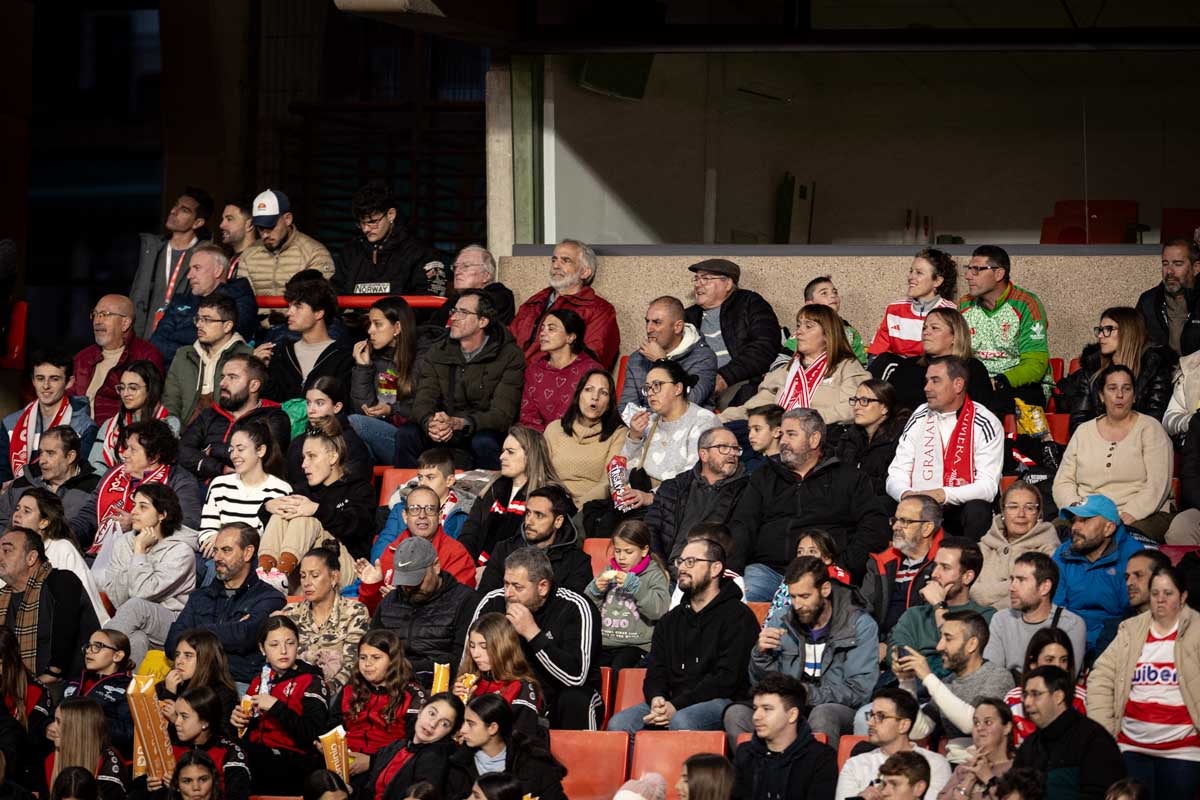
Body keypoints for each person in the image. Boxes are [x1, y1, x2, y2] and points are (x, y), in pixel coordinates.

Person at [730, 408, 890, 600]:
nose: (783, 442)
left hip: (825, 573)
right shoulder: (764, 476)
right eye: (782, 435)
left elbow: (874, 526)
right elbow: (743, 525)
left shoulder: (849, 478)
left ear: (814, 439)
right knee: (739, 596)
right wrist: (733, 570)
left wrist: (843, 565)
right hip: (769, 572)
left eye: (791, 434)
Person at [607, 537, 757, 734]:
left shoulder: (738, 617)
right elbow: (656, 671)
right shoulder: (670, 620)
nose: (683, 568)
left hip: (720, 701)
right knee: (619, 725)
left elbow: (726, 679)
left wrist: (676, 706)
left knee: (682, 721)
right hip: (672, 701)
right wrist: (657, 698)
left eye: (691, 562)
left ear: (715, 568)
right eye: (680, 561)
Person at [731, 556, 878, 751]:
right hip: (788, 705)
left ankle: (818, 778)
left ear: (824, 589)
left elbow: (860, 690)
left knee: (823, 714)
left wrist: (806, 694)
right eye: (793, 597)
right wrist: (761, 656)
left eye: (805, 596)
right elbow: (762, 685)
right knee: (736, 714)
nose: (797, 604)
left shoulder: (859, 625)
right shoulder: (781, 619)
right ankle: (762, 774)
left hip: (836, 708)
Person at [1088, 565, 1200, 799]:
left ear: (1183, 596)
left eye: (1168, 593)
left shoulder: (1197, 631)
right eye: (1155, 593)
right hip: (1131, 747)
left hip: (1183, 750)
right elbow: (1101, 676)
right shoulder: (1131, 630)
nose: (1160, 600)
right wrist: (1105, 732)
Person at [469, 547, 602, 730]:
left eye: (517, 587)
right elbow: (468, 663)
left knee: (575, 699)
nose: (508, 593)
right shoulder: (493, 602)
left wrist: (532, 633)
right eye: (506, 584)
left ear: (542, 587)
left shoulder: (575, 606)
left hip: (560, 696)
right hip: (509, 691)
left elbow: (575, 677)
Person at [397, 290, 526, 470]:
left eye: (463, 313)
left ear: (483, 321)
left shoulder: (509, 355)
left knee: (485, 441)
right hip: (444, 428)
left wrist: (461, 422)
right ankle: (409, 493)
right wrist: (431, 423)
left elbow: (502, 415)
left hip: (478, 428)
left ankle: (490, 495)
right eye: (454, 311)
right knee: (407, 433)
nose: (454, 318)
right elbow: (423, 400)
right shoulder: (438, 351)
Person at [886, 356, 1003, 541]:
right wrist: (906, 494)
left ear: (958, 385)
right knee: (881, 504)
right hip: (916, 505)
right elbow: (896, 472)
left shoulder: (986, 422)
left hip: (956, 509)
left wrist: (941, 495)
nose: (926, 388)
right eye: (926, 381)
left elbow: (988, 487)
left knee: (978, 509)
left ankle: (970, 563)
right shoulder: (919, 415)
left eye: (935, 381)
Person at [1054, 365, 1174, 541]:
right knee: (1054, 535)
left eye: (1126, 389)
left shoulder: (1150, 429)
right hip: (1086, 513)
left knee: (1120, 541)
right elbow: (1063, 481)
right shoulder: (1083, 432)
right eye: (1112, 388)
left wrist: (1128, 514)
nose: (1120, 395)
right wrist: (1077, 510)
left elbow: (1157, 484)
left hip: (1140, 515)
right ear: (1102, 396)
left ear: (1134, 396)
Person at [165, 523, 286, 687]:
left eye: (226, 550)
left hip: (238, 685)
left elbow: (244, 636)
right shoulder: (200, 596)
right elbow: (172, 644)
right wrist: (228, 631)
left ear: (247, 553)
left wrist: (194, 634)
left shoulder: (269, 598)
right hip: (194, 683)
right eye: (216, 550)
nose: (217, 557)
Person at [258, 423, 375, 585]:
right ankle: (265, 576)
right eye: (303, 457)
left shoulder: (359, 488)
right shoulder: (304, 490)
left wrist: (316, 510)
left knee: (305, 517)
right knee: (283, 513)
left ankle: (278, 576)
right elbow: (274, 524)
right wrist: (268, 507)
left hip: (345, 569)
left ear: (333, 457)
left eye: (311, 456)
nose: (304, 464)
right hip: (304, 572)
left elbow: (356, 527)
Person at [721, 303, 868, 427]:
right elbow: (755, 409)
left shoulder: (847, 366)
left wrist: (804, 421)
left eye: (808, 326)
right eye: (798, 325)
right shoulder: (787, 370)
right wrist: (719, 419)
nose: (799, 332)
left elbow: (853, 407)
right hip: (779, 438)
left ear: (827, 334)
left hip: (823, 438)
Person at [231, 615, 329, 795]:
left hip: (294, 759)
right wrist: (239, 721)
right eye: (274, 645)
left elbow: (314, 733)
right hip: (259, 754)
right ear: (262, 649)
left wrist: (276, 707)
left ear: (298, 645)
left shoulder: (312, 680)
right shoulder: (258, 681)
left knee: (240, 758)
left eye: (290, 643)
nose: (283, 651)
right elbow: (250, 729)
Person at [100, 482, 195, 665]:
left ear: (162, 514)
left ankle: (97, 648)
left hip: (172, 623)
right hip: (131, 620)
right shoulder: (122, 543)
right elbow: (116, 596)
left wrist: (140, 552)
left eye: (142, 507)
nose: (133, 511)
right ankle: (118, 688)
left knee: (137, 605)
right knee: (137, 640)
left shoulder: (181, 552)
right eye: (134, 504)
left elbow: (141, 593)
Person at [1054, 493, 1158, 657]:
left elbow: (1133, 616)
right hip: (1068, 638)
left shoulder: (1134, 557)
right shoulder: (1063, 553)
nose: (1075, 527)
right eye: (1074, 520)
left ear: (1109, 528)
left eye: (1085, 520)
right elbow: (1055, 608)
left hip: (1115, 641)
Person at [614, 359, 721, 519]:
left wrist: (651, 497)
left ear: (678, 388)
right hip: (639, 498)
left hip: (675, 505)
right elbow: (624, 469)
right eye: (647, 388)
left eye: (657, 385)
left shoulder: (703, 421)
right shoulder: (649, 420)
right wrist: (634, 437)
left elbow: (695, 475)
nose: (650, 393)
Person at [82, 418, 202, 558]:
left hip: (151, 556)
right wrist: (65, 533)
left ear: (154, 457)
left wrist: (135, 527)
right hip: (99, 554)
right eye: (126, 447)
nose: (124, 454)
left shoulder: (180, 480)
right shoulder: (113, 474)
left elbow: (188, 526)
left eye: (132, 450)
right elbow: (89, 515)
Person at [958, 245, 1053, 416]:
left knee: (989, 406)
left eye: (976, 270)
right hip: (976, 384)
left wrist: (999, 381)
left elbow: (1036, 364)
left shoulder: (1026, 304)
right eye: (968, 269)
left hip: (1018, 385)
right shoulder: (964, 305)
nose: (967, 276)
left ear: (999, 274)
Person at [892, 611, 1015, 741]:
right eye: (941, 638)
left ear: (972, 644)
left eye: (948, 638)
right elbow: (918, 732)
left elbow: (974, 724)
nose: (939, 647)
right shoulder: (948, 682)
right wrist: (907, 681)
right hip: (951, 758)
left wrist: (928, 677)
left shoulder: (998, 677)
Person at [367, 537, 477, 681]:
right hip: (390, 682)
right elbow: (371, 648)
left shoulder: (465, 601)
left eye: (416, 579)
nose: (410, 587)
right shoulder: (389, 603)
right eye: (404, 581)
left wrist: (405, 669)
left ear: (436, 566)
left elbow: (460, 661)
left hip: (440, 686)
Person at [327, 630, 427, 790]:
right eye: (363, 657)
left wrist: (372, 762)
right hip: (344, 759)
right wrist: (328, 745)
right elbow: (333, 725)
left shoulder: (412, 695)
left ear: (393, 660)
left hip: (386, 764)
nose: (367, 664)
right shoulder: (350, 689)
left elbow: (414, 743)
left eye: (376, 658)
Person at [887, 537, 994, 682]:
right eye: (935, 565)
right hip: (910, 692)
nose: (935, 574)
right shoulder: (914, 615)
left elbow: (965, 664)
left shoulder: (984, 616)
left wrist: (939, 606)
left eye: (945, 567)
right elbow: (898, 659)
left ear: (967, 577)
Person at [0, 527, 99, 684]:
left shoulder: (62, 582)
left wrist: (51, 674)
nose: (0, 556)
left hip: (67, 688)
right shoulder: (3, 598)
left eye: (6, 550)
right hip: (15, 689)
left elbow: (66, 634)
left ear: (31, 558)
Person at [641, 425, 748, 569]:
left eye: (735, 449)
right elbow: (650, 529)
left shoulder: (747, 490)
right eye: (724, 447)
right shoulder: (674, 487)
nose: (732, 453)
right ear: (703, 454)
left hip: (712, 572)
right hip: (667, 570)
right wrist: (659, 569)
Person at [1011, 665, 1124, 800]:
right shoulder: (1029, 746)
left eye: (1035, 694)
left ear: (1058, 696)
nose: (1027, 702)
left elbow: (1103, 793)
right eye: (1025, 695)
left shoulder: (1093, 740)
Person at [1057, 307, 1176, 435]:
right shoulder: (1093, 368)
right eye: (1100, 330)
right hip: (1098, 442)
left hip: (1138, 442)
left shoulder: (1154, 367)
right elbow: (1079, 420)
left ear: (1128, 332)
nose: (1101, 336)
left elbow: (1153, 420)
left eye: (1108, 329)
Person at [683, 258, 781, 408]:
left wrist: (725, 376)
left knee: (736, 405)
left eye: (706, 278)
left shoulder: (749, 303)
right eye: (696, 278)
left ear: (728, 284)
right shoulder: (688, 316)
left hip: (737, 381)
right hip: (697, 383)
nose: (697, 284)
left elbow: (765, 346)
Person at [458, 426, 561, 567]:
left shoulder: (550, 496)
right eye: (502, 451)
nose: (501, 457)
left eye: (510, 452)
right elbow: (470, 530)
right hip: (473, 567)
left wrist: (491, 572)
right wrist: (466, 565)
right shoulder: (494, 487)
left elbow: (534, 547)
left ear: (531, 455)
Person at [510, 239, 619, 369]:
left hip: (554, 380)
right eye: (554, 260)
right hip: (514, 378)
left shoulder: (599, 310)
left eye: (566, 260)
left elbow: (592, 360)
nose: (556, 265)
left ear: (584, 272)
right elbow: (508, 343)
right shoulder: (534, 302)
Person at [360, 485, 476, 607]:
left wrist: (403, 602)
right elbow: (373, 612)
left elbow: (458, 606)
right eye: (415, 509)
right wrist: (372, 587)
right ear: (405, 516)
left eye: (430, 509)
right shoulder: (391, 551)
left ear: (440, 516)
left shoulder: (456, 554)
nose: (422, 515)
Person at [729, 672, 837, 800]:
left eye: (767, 709)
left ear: (792, 715)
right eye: (755, 708)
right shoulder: (745, 754)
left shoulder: (820, 758)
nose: (756, 717)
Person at [870, 308, 996, 417]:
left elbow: (983, 412)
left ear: (954, 336)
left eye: (934, 328)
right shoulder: (908, 366)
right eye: (924, 328)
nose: (926, 332)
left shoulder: (971, 368)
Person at [9, 488, 108, 624]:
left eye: (26, 511)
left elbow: (87, 597)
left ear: (44, 522)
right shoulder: (5, 550)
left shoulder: (62, 549)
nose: (17, 515)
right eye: (17, 508)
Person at [277, 548, 369, 693]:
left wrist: (323, 692)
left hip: (338, 694)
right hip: (294, 691)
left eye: (314, 575)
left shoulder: (354, 612)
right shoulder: (290, 613)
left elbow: (352, 664)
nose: (306, 583)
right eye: (302, 576)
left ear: (334, 577)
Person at [983, 552, 1087, 680]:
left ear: (1044, 587)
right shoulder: (1001, 619)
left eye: (1021, 580)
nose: (1012, 587)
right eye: (1012, 579)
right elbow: (990, 674)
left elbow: (1064, 679)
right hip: (1007, 694)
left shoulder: (1070, 624)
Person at [149, 243, 257, 366]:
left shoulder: (239, 297)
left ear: (218, 271)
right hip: (172, 370)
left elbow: (224, 342)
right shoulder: (181, 300)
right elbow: (156, 343)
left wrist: (176, 336)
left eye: (197, 268)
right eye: (190, 269)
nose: (189, 275)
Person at [584, 520, 671, 671]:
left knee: (620, 668)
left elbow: (659, 611)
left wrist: (636, 587)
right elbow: (586, 609)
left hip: (636, 645)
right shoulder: (609, 570)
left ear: (644, 550)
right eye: (617, 551)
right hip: (605, 642)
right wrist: (595, 591)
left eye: (628, 552)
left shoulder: (654, 574)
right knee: (588, 668)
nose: (621, 557)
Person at [445, 693, 567, 800]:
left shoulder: (534, 766)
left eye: (471, 724)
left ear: (492, 728)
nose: (463, 730)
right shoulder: (456, 764)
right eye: (463, 722)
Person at [835, 688, 951, 800]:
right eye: (871, 715)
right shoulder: (856, 765)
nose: (870, 722)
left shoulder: (935, 763)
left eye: (881, 716)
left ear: (903, 725)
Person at [334, 183, 446, 297]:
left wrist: (387, 314)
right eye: (361, 223)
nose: (365, 229)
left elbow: (430, 300)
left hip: (399, 315)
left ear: (391, 214)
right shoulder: (350, 253)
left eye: (372, 222)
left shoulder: (421, 253)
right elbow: (335, 293)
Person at [0, 352, 97, 483]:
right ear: (33, 381)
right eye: (40, 378)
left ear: (69, 382)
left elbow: (79, 478)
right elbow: (2, 474)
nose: (46, 386)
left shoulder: (84, 427)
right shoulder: (10, 423)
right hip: (15, 499)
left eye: (54, 379)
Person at [198, 423, 292, 558]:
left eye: (240, 449)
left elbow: (274, 539)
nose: (233, 455)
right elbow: (206, 532)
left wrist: (228, 545)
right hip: (217, 557)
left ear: (260, 451)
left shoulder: (280, 490)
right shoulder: (219, 484)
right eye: (231, 449)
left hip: (256, 561)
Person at [348, 296, 423, 465]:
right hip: (383, 433)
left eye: (378, 324)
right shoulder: (375, 359)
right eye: (369, 324)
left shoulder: (422, 357)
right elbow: (364, 410)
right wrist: (363, 368)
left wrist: (391, 409)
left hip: (413, 439)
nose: (370, 331)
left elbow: (424, 406)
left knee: (352, 423)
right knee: (354, 444)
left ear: (397, 327)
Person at [131, 187, 213, 340]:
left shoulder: (205, 257)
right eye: (175, 205)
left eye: (184, 210)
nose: (174, 211)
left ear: (198, 222)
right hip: (143, 341)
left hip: (179, 344)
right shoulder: (150, 249)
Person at [478, 485, 590, 596]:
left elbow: (571, 608)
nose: (529, 521)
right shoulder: (504, 549)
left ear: (558, 521)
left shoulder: (577, 562)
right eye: (528, 513)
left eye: (539, 515)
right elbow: (486, 597)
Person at [162, 293, 255, 427]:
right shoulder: (184, 355)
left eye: (207, 319)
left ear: (227, 326)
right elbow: (171, 399)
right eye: (198, 319)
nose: (199, 325)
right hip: (183, 433)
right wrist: (172, 425)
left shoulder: (246, 357)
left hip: (226, 432)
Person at [72, 294, 164, 425]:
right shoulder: (83, 358)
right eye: (95, 314)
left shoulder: (146, 356)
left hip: (117, 434)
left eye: (105, 314)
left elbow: (149, 406)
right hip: (76, 433)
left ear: (125, 323)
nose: (97, 321)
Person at [0, 426, 100, 545]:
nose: (42, 460)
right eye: (41, 453)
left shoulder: (94, 487)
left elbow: (88, 531)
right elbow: (2, 524)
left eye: (50, 454)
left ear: (70, 457)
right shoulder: (21, 484)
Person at [261, 277, 354, 404]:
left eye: (298, 307)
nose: (289, 312)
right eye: (289, 306)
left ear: (319, 313)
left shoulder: (344, 356)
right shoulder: (280, 352)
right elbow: (271, 400)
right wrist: (260, 369)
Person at [148, 685, 250, 800]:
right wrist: (152, 787)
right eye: (177, 715)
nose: (177, 722)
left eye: (184, 717)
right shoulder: (169, 749)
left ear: (204, 722)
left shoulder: (229, 753)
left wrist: (180, 786)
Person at [453, 612, 546, 738]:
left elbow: (521, 737)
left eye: (484, 646)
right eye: (472, 646)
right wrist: (456, 704)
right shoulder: (469, 682)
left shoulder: (521, 687)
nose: (476, 654)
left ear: (503, 647)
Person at [543, 370, 628, 506]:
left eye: (603, 392)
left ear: (609, 403)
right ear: (578, 395)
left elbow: (607, 483)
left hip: (588, 509)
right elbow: (541, 472)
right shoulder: (554, 428)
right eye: (589, 390)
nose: (595, 397)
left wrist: (576, 508)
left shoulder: (618, 434)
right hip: (549, 503)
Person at [619, 296, 718, 411]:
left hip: (689, 426)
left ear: (677, 327)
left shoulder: (704, 358)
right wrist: (644, 425)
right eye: (647, 321)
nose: (649, 329)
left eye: (657, 322)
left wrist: (662, 362)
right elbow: (626, 407)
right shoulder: (637, 358)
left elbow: (688, 402)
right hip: (646, 426)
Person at [972, 482, 1060, 611]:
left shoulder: (1050, 549)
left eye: (1029, 508)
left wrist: (986, 598)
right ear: (1003, 512)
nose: (1021, 514)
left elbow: (1035, 596)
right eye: (1013, 507)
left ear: (1039, 514)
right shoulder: (982, 547)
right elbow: (967, 588)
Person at [359, 693, 463, 800]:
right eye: (432, 714)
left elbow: (427, 787)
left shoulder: (435, 759)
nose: (433, 724)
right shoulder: (398, 745)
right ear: (421, 711)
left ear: (451, 733)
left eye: (444, 724)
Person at [238, 188, 334, 297]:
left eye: (270, 226)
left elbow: (318, 303)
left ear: (288, 219)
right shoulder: (248, 254)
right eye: (260, 228)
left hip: (296, 314)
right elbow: (243, 302)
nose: (264, 235)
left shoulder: (315, 253)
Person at [518, 309, 602, 432]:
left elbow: (595, 415)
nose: (542, 333)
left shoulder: (591, 370)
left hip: (578, 439)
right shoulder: (534, 371)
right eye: (542, 328)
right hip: (539, 440)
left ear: (571, 337)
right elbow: (528, 416)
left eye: (551, 329)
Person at [88, 360, 179, 473]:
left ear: (151, 389)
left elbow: (163, 468)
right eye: (122, 387)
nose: (125, 394)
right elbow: (95, 467)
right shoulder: (110, 426)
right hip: (110, 485)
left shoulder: (169, 424)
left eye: (133, 388)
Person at [869, 249, 960, 359]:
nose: (911, 277)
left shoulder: (951, 313)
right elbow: (876, 355)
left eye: (919, 273)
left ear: (937, 281)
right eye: (911, 271)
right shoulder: (894, 309)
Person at [1003, 628, 1088, 744]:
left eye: (1063, 660)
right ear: (1033, 664)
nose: (1058, 666)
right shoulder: (1013, 700)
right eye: (1049, 660)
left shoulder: (1082, 699)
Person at [285, 377, 373, 489]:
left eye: (319, 403)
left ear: (337, 407)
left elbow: (355, 488)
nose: (311, 410)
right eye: (308, 403)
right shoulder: (298, 443)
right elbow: (292, 483)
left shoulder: (350, 443)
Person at [835, 379, 909, 505]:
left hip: (880, 505)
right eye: (855, 400)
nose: (857, 407)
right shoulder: (850, 436)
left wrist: (853, 481)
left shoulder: (899, 439)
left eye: (864, 401)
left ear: (884, 408)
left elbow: (889, 484)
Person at [63, 630, 133, 759]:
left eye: (98, 646)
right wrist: (48, 725)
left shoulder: (129, 688)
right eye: (88, 646)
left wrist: (90, 720)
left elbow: (129, 733)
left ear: (117, 656)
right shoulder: (75, 681)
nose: (89, 651)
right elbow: (55, 712)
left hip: (102, 756)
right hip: (64, 749)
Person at [43, 697, 129, 800]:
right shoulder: (51, 759)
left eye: (58, 722)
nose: (51, 728)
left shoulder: (109, 774)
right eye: (54, 720)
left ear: (77, 728)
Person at [1093, 549, 1172, 659]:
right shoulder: (1114, 630)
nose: (1129, 583)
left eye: (1138, 575)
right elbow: (1100, 673)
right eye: (1127, 577)